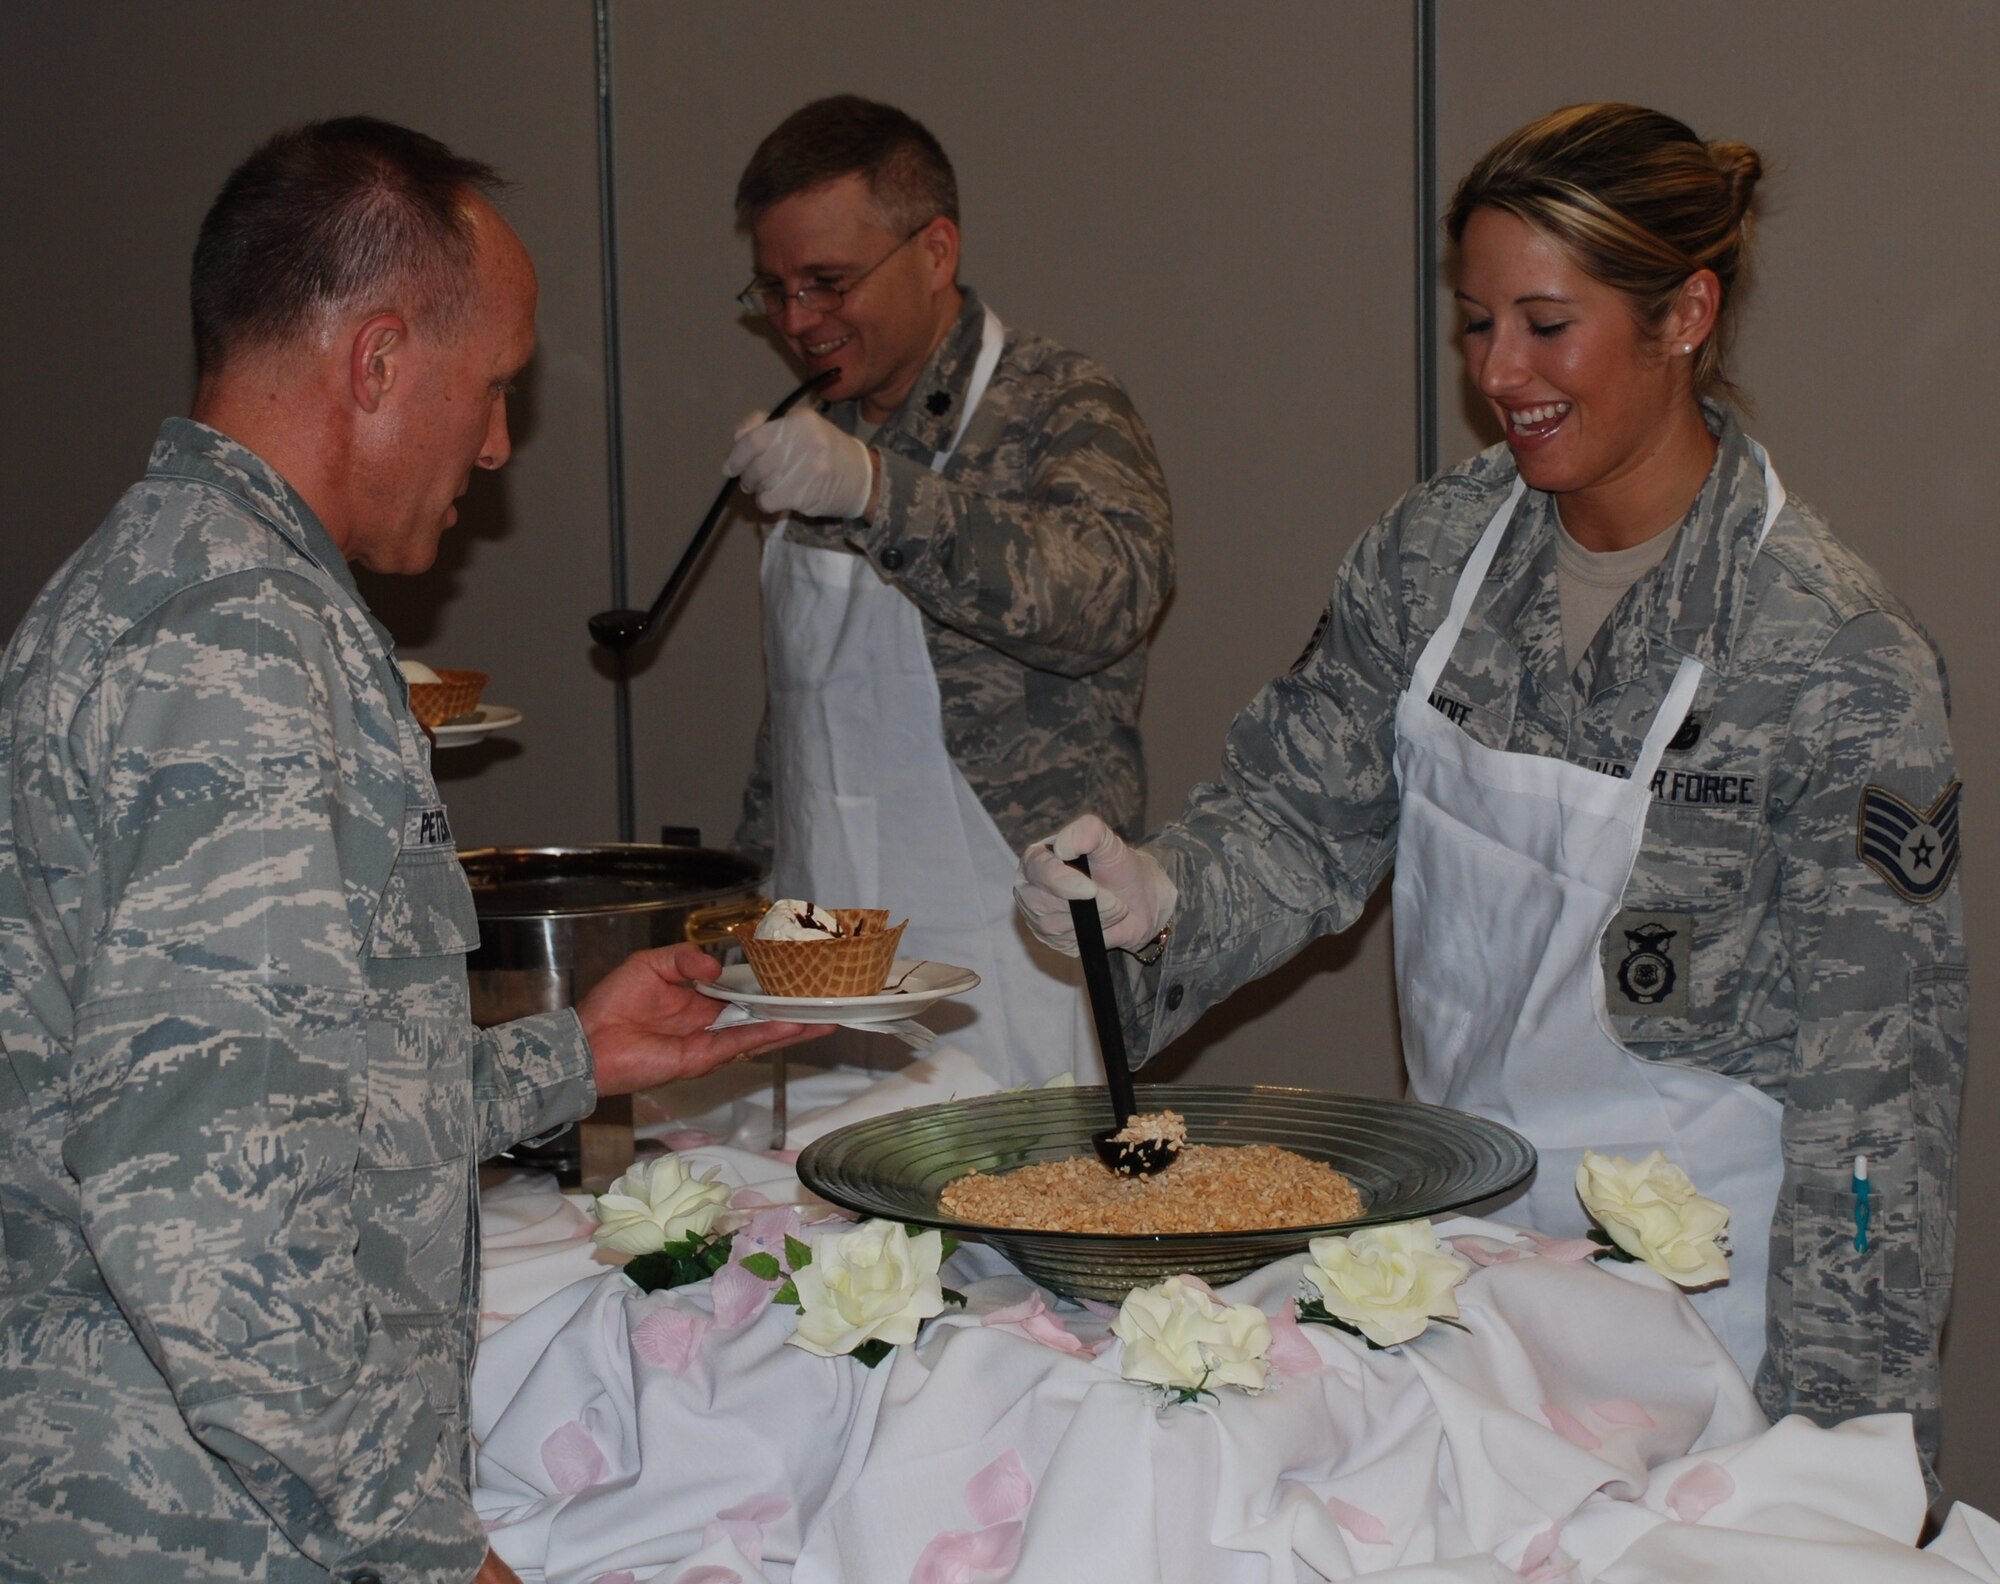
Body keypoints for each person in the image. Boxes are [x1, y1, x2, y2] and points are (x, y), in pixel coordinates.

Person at [1017, 104, 1966, 1467]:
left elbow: (1880, 1108)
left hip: (1711, 1338)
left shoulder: (1830, 656)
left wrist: (1848, 1455)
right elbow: (1297, 817)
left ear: (1686, 312)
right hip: (1456, 1277)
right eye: (1477, 325)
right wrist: (1159, 895)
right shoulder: (1437, 555)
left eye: (1545, 322)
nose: (1501, 371)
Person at [0, 118, 821, 1584]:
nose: (499, 442)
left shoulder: (188, 588)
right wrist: (431, 1553)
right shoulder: (236, 652)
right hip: (188, 1527)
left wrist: (570, 1057)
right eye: (494, 386)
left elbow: (291, 1088)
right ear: (376, 362)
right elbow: (221, 1222)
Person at [721, 95, 1175, 1089]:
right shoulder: (812, 428)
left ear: (933, 251)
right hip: (821, 950)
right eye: (774, 291)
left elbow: (1107, 598)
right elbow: (795, 712)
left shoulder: (1058, 402)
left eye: (827, 283)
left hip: (1012, 947)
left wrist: (879, 492)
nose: (797, 321)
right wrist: (737, 903)